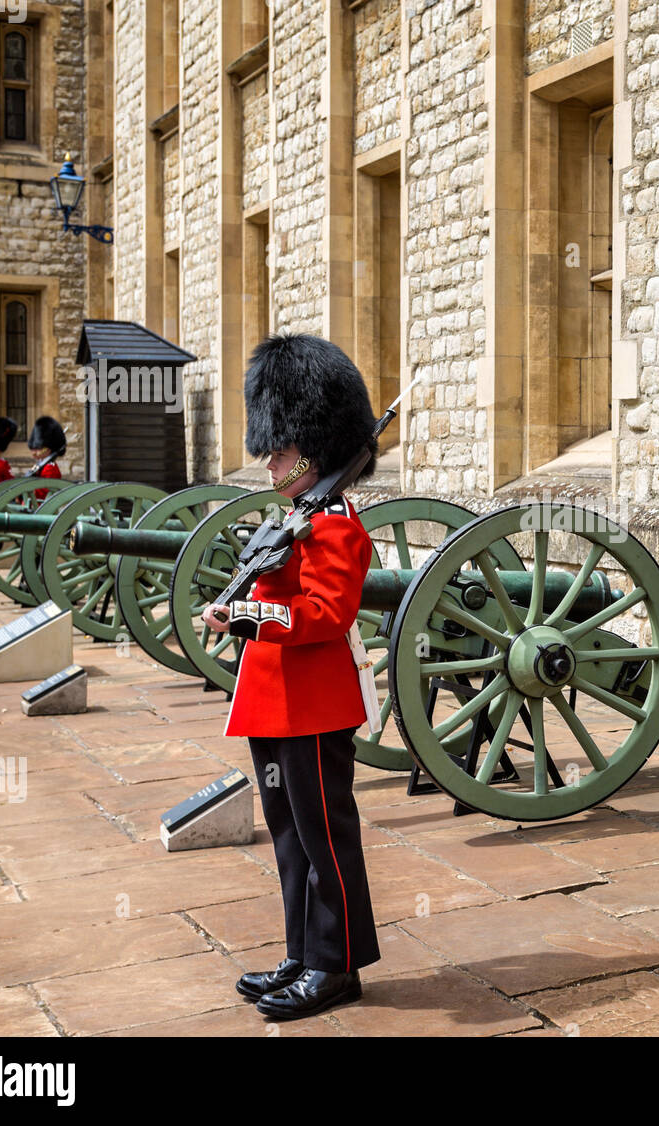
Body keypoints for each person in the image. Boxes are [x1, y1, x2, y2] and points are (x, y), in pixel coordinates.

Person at [202, 333, 382, 1020]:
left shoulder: (334, 525)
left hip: (312, 702)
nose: (271, 461)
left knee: (324, 838)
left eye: (279, 450)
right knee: (288, 838)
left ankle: (336, 965)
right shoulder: (297, 518)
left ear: (313, 448)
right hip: (273, 701)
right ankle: (303, 950)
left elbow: (327, 615)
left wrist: (248, 616)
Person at [26, 415, 66, 502]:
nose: (34, 452)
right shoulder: (41, 464)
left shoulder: (50, 468)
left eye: (38, 448)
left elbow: (43, 491)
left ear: (48, 449)